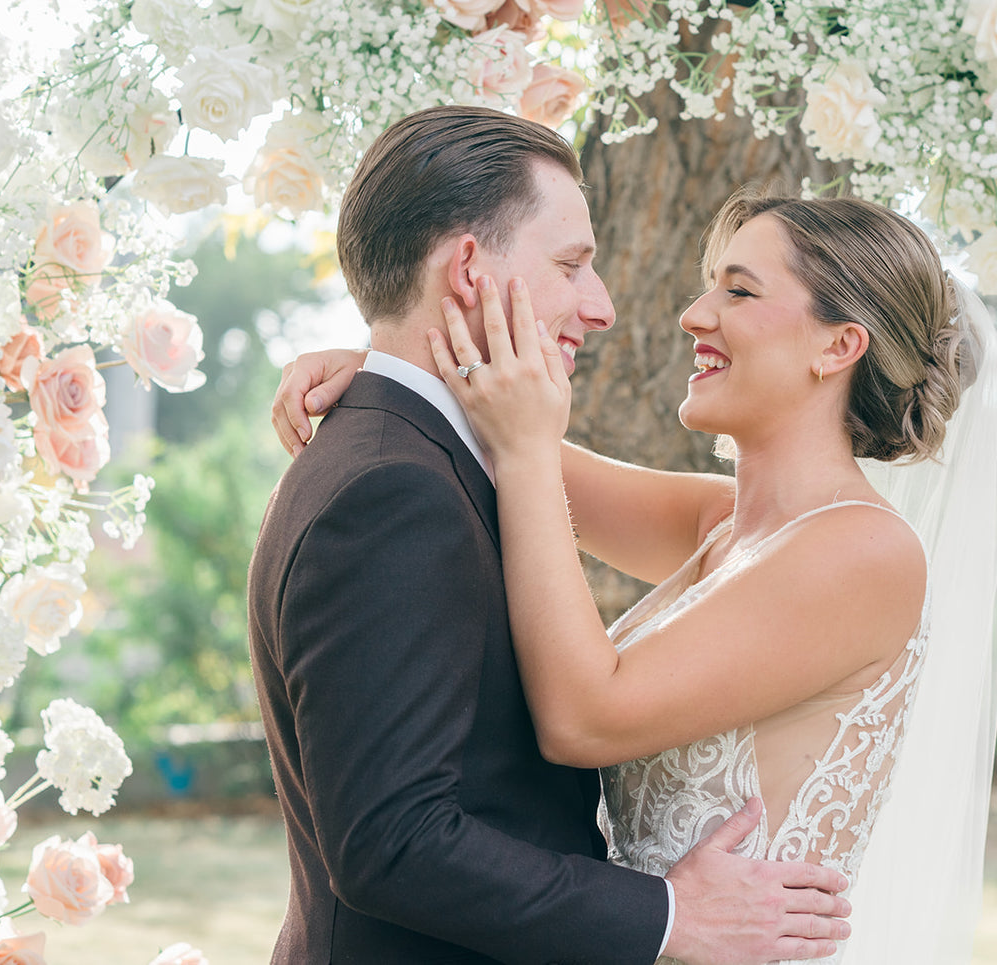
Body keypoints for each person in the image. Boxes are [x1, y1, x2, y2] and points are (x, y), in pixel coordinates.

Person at [274, 188, 997, 963]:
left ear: (836, 347)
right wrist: (388, 369)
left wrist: (527, 448)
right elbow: (495, 442)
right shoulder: (723, 527)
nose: (694, 314)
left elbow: (583, 716)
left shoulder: (862, 554)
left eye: (738, 290)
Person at [247, 105, 854, 965]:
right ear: (468, 269)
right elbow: (391, 841)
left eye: (740, 290)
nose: (601, 307)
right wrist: (671, 917)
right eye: (572, 264)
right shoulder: (393, 489)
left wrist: (411, 378)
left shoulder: (411, 458)